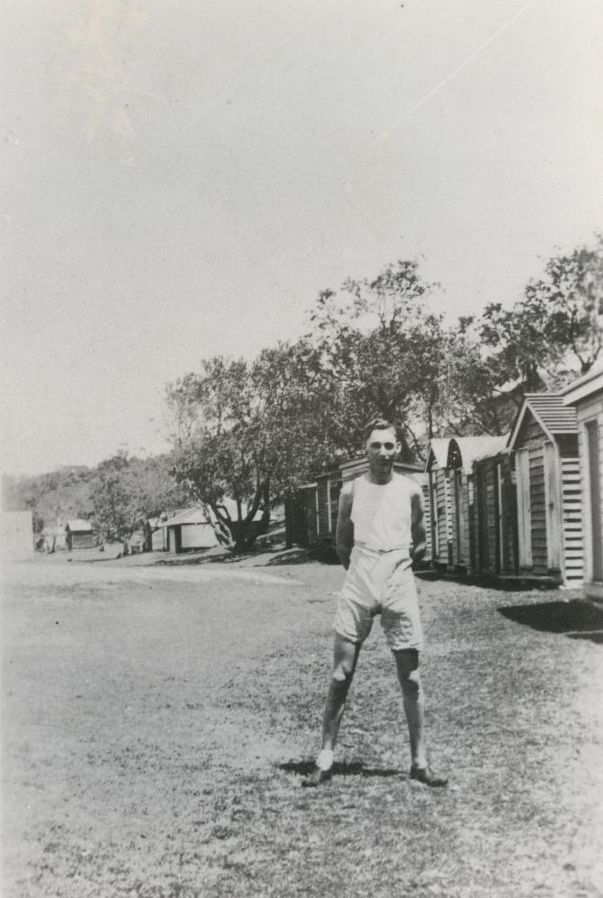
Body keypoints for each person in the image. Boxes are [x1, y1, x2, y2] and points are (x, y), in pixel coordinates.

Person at [303, 418, 447, 788]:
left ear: (398, 449)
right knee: (341, 675)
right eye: (375, 446)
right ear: (365, 450)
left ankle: (419, 762)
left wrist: (395, 566)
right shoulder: (351, 491)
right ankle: (325, 757)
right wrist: (364, 572)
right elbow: (341, 544)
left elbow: (419, 541)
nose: (383, 453)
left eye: (389, 446)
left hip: (399, 576)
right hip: (360, 577)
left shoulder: (411, 490)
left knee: (411, 678)